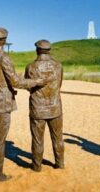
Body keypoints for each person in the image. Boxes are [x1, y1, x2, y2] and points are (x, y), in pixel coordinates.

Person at [0, 27, 44, 182]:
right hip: (2, 106)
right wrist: (35, 82)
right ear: (4, 41)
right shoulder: (4, 58)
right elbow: (16, 81)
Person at [24, 39, 64, 172]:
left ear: (37, 50)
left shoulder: (30, 67)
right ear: (49, 50)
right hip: (55, 107)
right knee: (58, 137)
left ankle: (37, 166)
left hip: (38, 108)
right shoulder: (58, 66)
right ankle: (59, 163)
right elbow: (59, 85)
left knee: (37, 139)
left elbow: (28, 86)